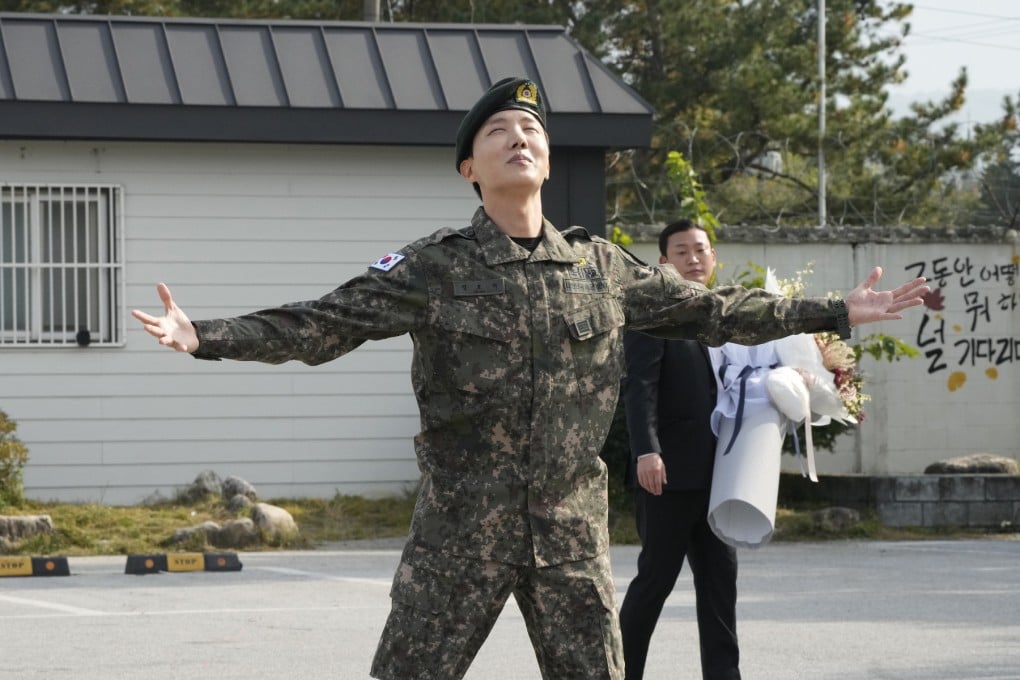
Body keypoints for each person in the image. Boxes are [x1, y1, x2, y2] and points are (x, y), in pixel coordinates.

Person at [132, 76, 928, 680]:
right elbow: (322, 323)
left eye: (532, 130)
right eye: (501, 130)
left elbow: (714, 313)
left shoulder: (599, 267)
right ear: (468, 168)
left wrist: (835, 312)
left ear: (546, 160)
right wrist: (206, 337)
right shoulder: (433, 266)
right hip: (459, 535)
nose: (520, 137)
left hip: (568, 536)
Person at [618, 219, 740, 680]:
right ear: (664, 261)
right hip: (667, 476)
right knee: (654, 583)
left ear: (713, 257)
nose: (694, 259)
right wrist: (646, 451)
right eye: (682, 251)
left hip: (723, 478)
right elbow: (639, 388)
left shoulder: (728, 317)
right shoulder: (654, 317)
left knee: (720, 586)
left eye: (701, 250)